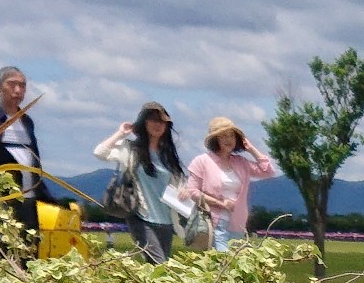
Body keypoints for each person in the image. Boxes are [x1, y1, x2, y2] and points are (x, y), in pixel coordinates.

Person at [0, 65, 64, 255]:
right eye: (12, 84)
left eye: (22, 86)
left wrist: (48, 197)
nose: (18, 90)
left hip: (28, 197)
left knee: (30, 250)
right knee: (4, 249)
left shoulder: (26, 121)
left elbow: (33, 162)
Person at [93, 103, 184, 261]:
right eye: (153, 120)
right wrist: (121, 133)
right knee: (160, 265)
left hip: (166, 221)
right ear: (144, 123)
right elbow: (100, 152)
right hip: (141, 217)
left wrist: (186, 190)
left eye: (162, 121)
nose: (158, 125)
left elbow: (180, 183)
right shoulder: (131, 149)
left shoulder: (168, 155)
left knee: (157, 270)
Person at [182, 118, 277, 250]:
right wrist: (221, 204)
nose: (229, 139)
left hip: (237, 223)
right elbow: (193, 192)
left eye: (232, 135)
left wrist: (251, 149)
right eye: (223, 136)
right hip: (213, 222)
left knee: (232, 265)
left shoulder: (241, 162)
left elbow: (268, 171)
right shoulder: (202, 161)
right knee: (224, 261)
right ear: (215, 139)